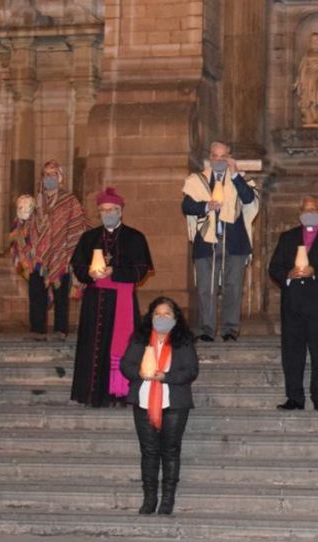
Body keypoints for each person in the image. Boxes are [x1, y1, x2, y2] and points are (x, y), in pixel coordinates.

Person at [71, 187, 154, 407]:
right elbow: (77, 265)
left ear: (120, 211)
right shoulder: (89, 238)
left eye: (111, 209)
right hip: (94, 301)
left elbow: (141, 269)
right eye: (103, 210)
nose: (107, 213)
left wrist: (114, 271)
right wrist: (88, 273)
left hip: (121, 302)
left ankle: (119, 394)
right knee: (93, 346)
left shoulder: (134, 237)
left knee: (121, 346)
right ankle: (91, 394)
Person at [120, 296, 199, 516]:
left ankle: (167, 499)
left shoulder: (182, 341)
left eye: (167, 314)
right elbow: (126, 364)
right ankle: (149, 498)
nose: (162, 317)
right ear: (150, 316)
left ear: (175, 318)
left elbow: (191, 370)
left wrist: (165, 376)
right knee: (149, 452)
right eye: (158, 313)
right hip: (144, 402)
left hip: (173, 404)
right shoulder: (140, 338)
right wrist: (140, 372)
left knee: (170, 451)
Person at [268, 195, 318, 411]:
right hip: (293, 306)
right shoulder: (287, 237)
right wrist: (288, 273)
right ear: (299, 213)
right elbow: (273, 268)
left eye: (313, 209)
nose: (309, 212)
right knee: (292, 354)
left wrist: (316, 272)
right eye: (305, 209)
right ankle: (294, 398)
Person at [181, 141, 259, 342]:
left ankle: (230, 329)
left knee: (233, 286)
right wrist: (206, 207)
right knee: (206, 287)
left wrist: (234, 175)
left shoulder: (240, 179)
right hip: (206, 243)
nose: (218, 160)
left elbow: (249, 199)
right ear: (210, 157)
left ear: (229, 158)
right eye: (215, 156)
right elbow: (187, 205)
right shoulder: (197, 180)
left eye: (223, 157)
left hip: (234, 242)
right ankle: (207, 328)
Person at [20, 160, 89, 341]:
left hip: (62, 255)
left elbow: (78, 225)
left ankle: (60, 330)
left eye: (52, 174)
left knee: (61, 296)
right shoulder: (35, 201)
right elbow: (26, 228)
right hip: (37, 257)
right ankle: (37, 329)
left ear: (59, 178)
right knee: (36, 293)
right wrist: (22, 219)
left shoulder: (70, 201)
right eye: (45, 175)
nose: (48, 178)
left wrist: (69, 252)